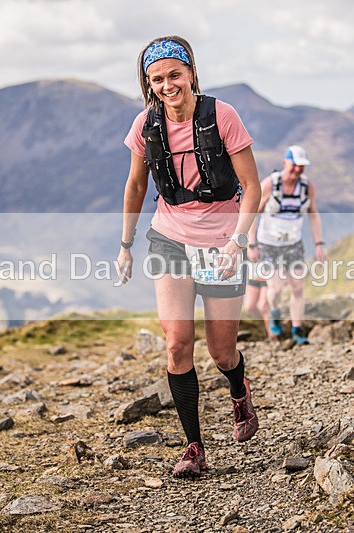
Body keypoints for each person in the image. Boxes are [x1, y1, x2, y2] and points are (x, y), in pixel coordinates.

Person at [115, 36, 261, 478]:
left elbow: (252, 187)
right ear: (148, 83)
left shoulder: (223, 116)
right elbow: (137, 186)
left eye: (173, 75)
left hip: (222, 242)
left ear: (191, 74)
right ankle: (193, 447)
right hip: (169, 238)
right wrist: (125, 245)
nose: (166, 85)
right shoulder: (146, 124)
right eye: (156, 79)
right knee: (177, 343)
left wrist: (239, 240)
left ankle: (238, 388)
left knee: (221, 352)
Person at [248, 145, 326, 345]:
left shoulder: (307, 186)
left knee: (298, 286)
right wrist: (252, 242)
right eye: (295, 165)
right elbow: (252, 213)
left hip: (293, 244)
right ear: (285, 163)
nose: (298, 169)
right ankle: (274, 312)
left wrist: (319, 243)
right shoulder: (270, 184)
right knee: (274, 288)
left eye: (302, 166)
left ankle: (297, 330)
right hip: (268, 244)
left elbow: (313, 215)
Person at [242, 262, 271, 338]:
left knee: (263, 306)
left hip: (267, 276)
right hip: (252, 277)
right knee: (249, 306)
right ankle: (264, 327)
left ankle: (272, 335)